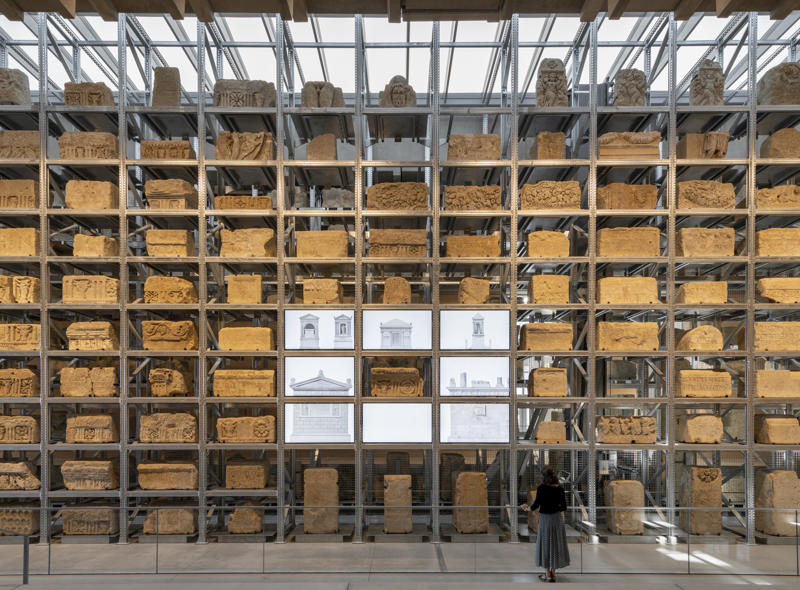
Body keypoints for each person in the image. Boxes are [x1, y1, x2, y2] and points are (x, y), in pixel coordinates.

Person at [521, 466, 569, 582]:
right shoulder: (560, 489)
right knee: (555, 544)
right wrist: (555, 507)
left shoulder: (541, 488)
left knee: (545, 544)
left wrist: (526, 507)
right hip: (557, 519)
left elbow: (535, 506)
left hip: (545, 519)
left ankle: (547, 574)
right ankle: (553, 573)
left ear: (544, 477)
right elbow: (564, 507)